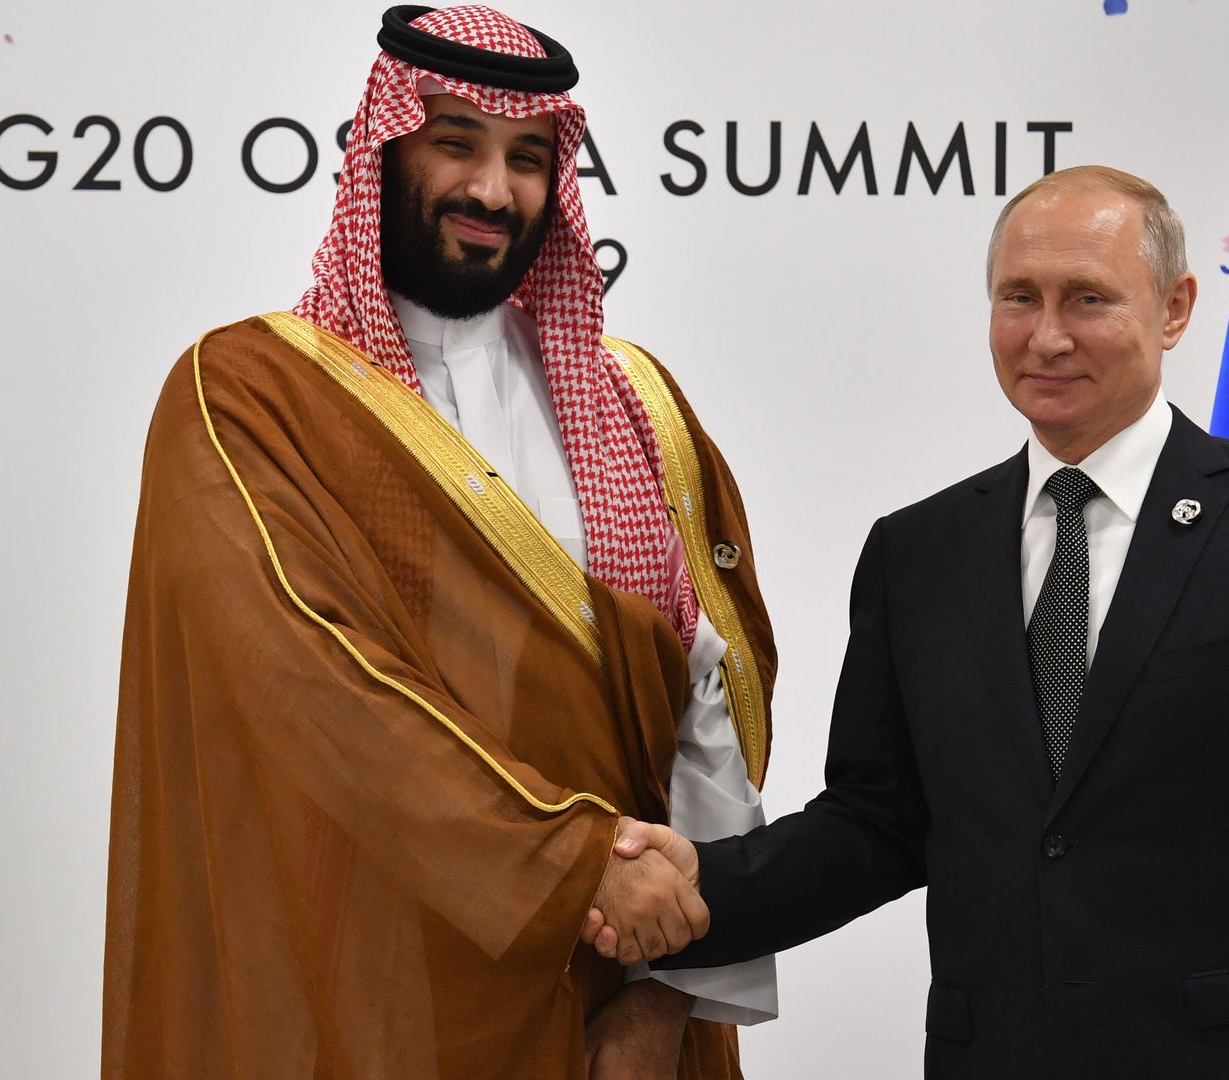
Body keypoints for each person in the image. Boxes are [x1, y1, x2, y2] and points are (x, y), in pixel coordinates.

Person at [593, 165, 1229, 1079]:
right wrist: (699, 886)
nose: (1047, 337)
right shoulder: (917, 551)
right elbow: (876, 823)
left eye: (1088, 299)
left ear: (1176, 308)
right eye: (1019, 298)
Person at [102, 7, 778, 1078]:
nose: (491, 191)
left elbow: (708, 709)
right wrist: (573, 864)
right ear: (383, 148)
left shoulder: (638, 408)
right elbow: (321, 691)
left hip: (620, 1010)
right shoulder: (251, 396)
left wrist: (669, 1001)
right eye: (455, 142)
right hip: (365, 1002)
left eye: (527, 157)